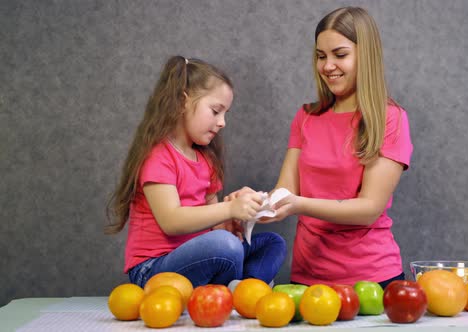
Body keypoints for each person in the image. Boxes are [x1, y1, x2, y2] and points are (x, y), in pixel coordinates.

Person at [261, 7, 413, 289]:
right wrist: (250, 206)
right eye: (321, 56)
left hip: (371, 280)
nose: (327, 66)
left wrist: (299, 204)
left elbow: (369, 208)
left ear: (365, 55)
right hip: (307, 279)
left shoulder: (390, 118)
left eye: (340, 55)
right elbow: (284, 194)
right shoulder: (306, 116)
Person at [104, 56, 286, 288]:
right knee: (224, 247)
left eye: (225, 114)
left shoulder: (206, 158)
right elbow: (171, 221)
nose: (222, 123)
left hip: (204, 257)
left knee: (272, 242)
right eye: (216, 111)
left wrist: (231, 219)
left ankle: (245, 289)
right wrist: (227, 209)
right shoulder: (158, 157)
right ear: (182, 102)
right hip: (154, 270)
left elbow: (214, 225)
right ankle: (238, 285)